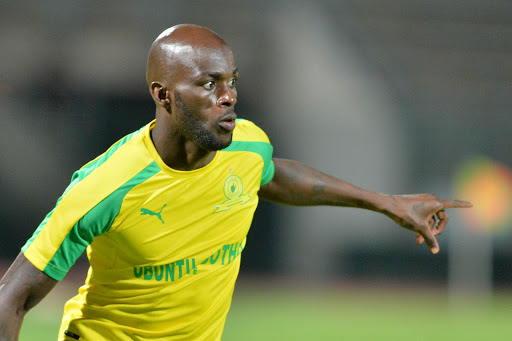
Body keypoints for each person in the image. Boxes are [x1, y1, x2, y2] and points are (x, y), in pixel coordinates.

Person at [0, 24, 471, 341]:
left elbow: (273, 174)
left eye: (231, 80)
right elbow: (13, 297)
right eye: (208, 84)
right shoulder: (106, 186)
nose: (228, 96)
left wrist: (384, 202)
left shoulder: (245, 147)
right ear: (162, 96)